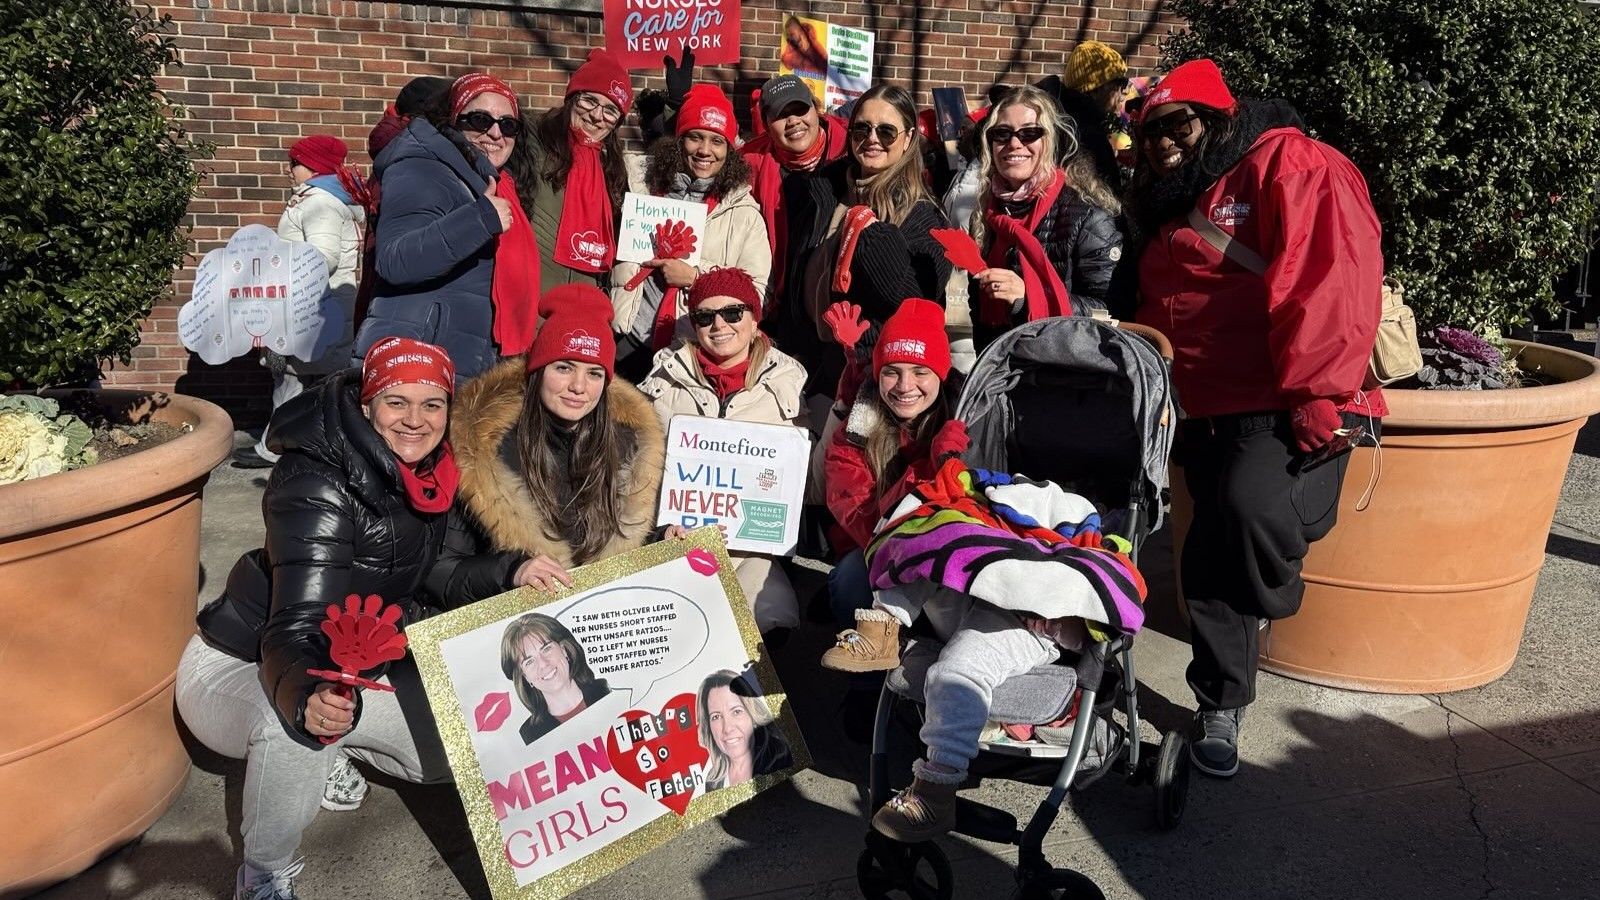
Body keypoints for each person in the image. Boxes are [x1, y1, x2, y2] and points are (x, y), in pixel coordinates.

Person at [1127, 59, 1385, 779]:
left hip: (1280, 400)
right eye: (1149, 132)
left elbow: (1329, 275)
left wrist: (1317, 392)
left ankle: (1273, 577)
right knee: (1208, 558)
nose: (1162, 143)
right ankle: (1221, 700)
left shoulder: (1291, 162)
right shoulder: (1175, 191)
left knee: (1249, 516)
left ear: (1215, 118)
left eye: (1177, 125)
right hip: (1198, 406)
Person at [177, 338, 459, 900]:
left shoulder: (433, 472)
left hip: (352, 661)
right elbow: (297, 626)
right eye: (396, 401)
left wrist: (517, 570)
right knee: (296, 729)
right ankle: (263, 875)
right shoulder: (314, 481)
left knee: (446, 758)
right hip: (245, 663)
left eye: (432, 404)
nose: (415, 420)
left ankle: (333, 740)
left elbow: (441, 573)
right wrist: (306, 694)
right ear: (365, 404)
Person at [427, 284, 669, 605]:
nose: (579, 387)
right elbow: (439, 572)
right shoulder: (480, 449)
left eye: (594, 373)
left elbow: (611, 551)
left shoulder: (627, 449)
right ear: (539, 371)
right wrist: (513, 570)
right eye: (564, 368)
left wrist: (663, 541)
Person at [636, 267, 807, 634]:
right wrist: (663, 527)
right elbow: (637, 473)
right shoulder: (662, 382)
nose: (719, 325)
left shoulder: (790, 381)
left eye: (732, 313)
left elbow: (811, 482)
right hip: (678, 543)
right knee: (677, 631)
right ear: (693, 324)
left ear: (753, 317)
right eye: (705, 316)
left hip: (753, 549)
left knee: (768, 620)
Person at [358, 72, 541, 381]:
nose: (496, 133)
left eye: (508, 125)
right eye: (480, 120)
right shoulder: (423, 167)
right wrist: (479, 219)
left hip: (465, 359)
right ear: (454, 119)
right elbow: (395, 259)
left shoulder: (495, 181)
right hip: (419, 361)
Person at [821, 299, 964, 633]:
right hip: (878, 551)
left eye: (920, 372)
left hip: (951, 551)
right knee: (850, 577)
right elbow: (865, 524)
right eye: (891, 372)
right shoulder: (855, 433)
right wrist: (930, 466)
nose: (904, 386)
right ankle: (865, 679)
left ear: (941, 375)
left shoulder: (966, 420)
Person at [800, 84, 953, 396]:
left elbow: (914, 303)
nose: (871, 139)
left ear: (908, 138)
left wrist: (873, 235)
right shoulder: (824, 193)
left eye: (886, 131)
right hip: (814, 365)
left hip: (875, 379)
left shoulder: (922, 215)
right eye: (861, 129)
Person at [610, 84, 771, 381]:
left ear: (729, 149)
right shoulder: (641, 186)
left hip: (690, 354)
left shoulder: (745, 213)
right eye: (695, 137)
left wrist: (696, 278)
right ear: (679, 140)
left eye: (716, 141)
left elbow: (755, 294)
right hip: (626, 339)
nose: (705, 150)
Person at [234, 134, 368, 469]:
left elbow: (324, 257)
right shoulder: (320, 200)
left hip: (313, 307)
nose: (289, 169)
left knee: (300, 378)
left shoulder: (319, 202)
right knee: (304, 379)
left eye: (295, 162)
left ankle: (287, 447)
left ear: (314, 166)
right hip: (319, 305)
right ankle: (287, 445)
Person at [967, 85, 1124, 350]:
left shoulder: (1089, 216)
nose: (1014, 143)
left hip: (1065, 375)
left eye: (1029, 133)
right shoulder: (987, 216)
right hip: (1001, 371)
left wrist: (1028, 296)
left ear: (1050, 140)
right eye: (1002, 134)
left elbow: (1111, 313)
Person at [518, 49, 632, 292]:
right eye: (590, 100)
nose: (597, 116)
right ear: (572, 97)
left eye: (611, 110)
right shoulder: (531, 141)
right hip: (529, 292)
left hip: (583, 304)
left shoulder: (613, 169)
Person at [499, 612, 611, 745]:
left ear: (563, 650)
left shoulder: (608, 690)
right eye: (529, 661)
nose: (543, 664)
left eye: (546, 648)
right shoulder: (530, 735)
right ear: (525, 677)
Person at [1037, 40, 1129, 189]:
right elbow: (1109, 197)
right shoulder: (1086, 134)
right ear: (1095, 88)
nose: (1124, 91)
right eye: (1120, 83)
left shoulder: (1057, 119)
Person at [697, 669, 793, 790]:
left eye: (736, 711)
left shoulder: (780, 759)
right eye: (716, 716)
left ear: (753, 714)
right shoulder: (713, 781)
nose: (727, 728)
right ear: (708, 727)